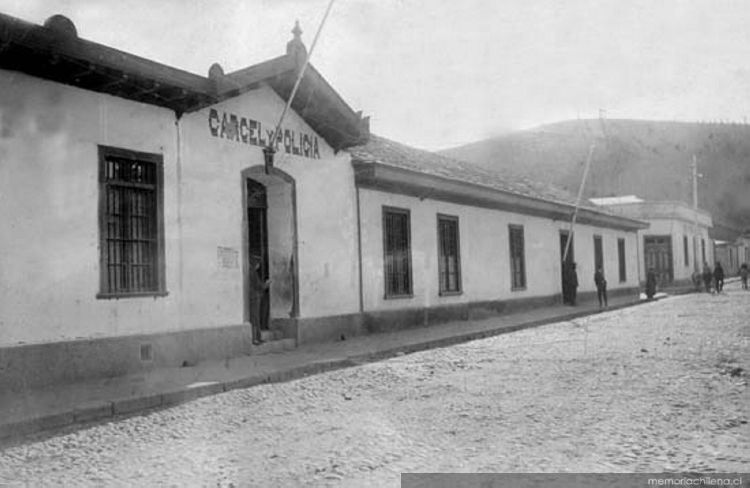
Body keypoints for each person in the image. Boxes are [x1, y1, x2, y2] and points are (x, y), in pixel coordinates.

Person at [248, 257, 270, 345]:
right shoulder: (253, 272)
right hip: (255, 297)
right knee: (255, 318)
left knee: (255, 318)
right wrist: (266, 284)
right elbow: (258, 285)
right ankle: (255, 338)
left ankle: (257, 337)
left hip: (253, 297)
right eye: (258, 263)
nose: (259, 265)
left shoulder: (250, 271)